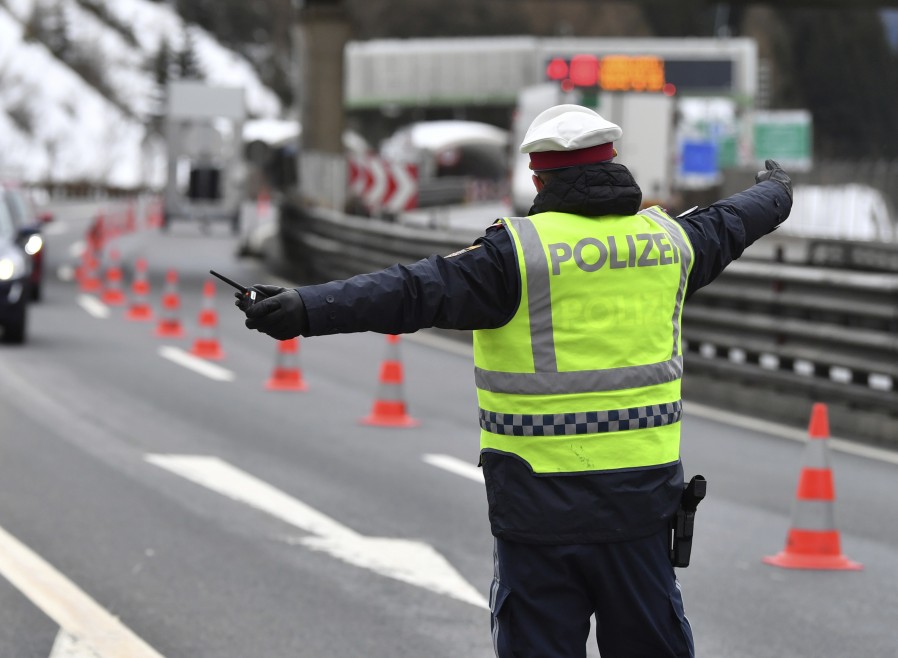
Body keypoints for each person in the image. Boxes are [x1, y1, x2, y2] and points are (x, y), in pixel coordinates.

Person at [233, 104, 793, 658]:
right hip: (641, 512)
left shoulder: (515, 256)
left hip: (538, 516)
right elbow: (735, 218)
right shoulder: (670, 243)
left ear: (538, 176)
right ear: (614, 164)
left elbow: (406, 292)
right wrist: (777, 191)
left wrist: (303, 309)